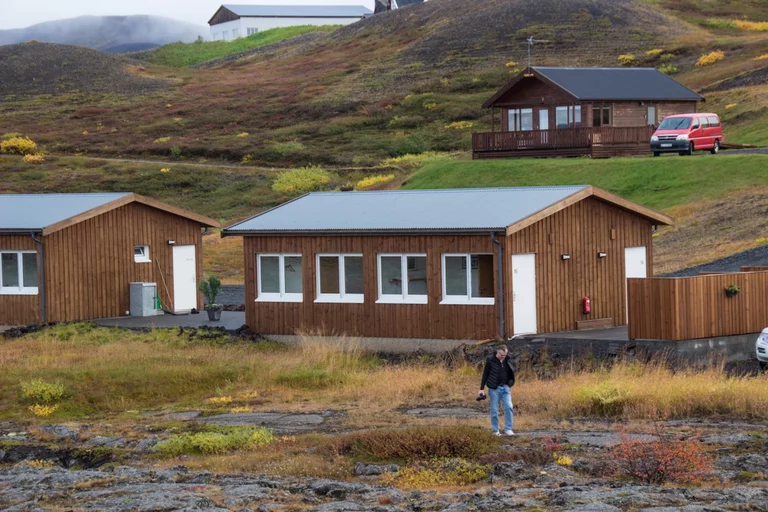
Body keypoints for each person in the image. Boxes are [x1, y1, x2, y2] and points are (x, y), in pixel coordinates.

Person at [478, 345, 515, 436]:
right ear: (497, 352)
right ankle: (495, 431)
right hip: (494, 389)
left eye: (505, 355)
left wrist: (509, 383)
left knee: (509, 407)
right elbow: (485, 374)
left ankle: (508, 429)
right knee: (494, 410)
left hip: (505, 388)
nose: (503, 357)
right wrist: (481, 389)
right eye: (501, 355)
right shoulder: (490, 360)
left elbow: (511, 373)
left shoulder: (507, 360)